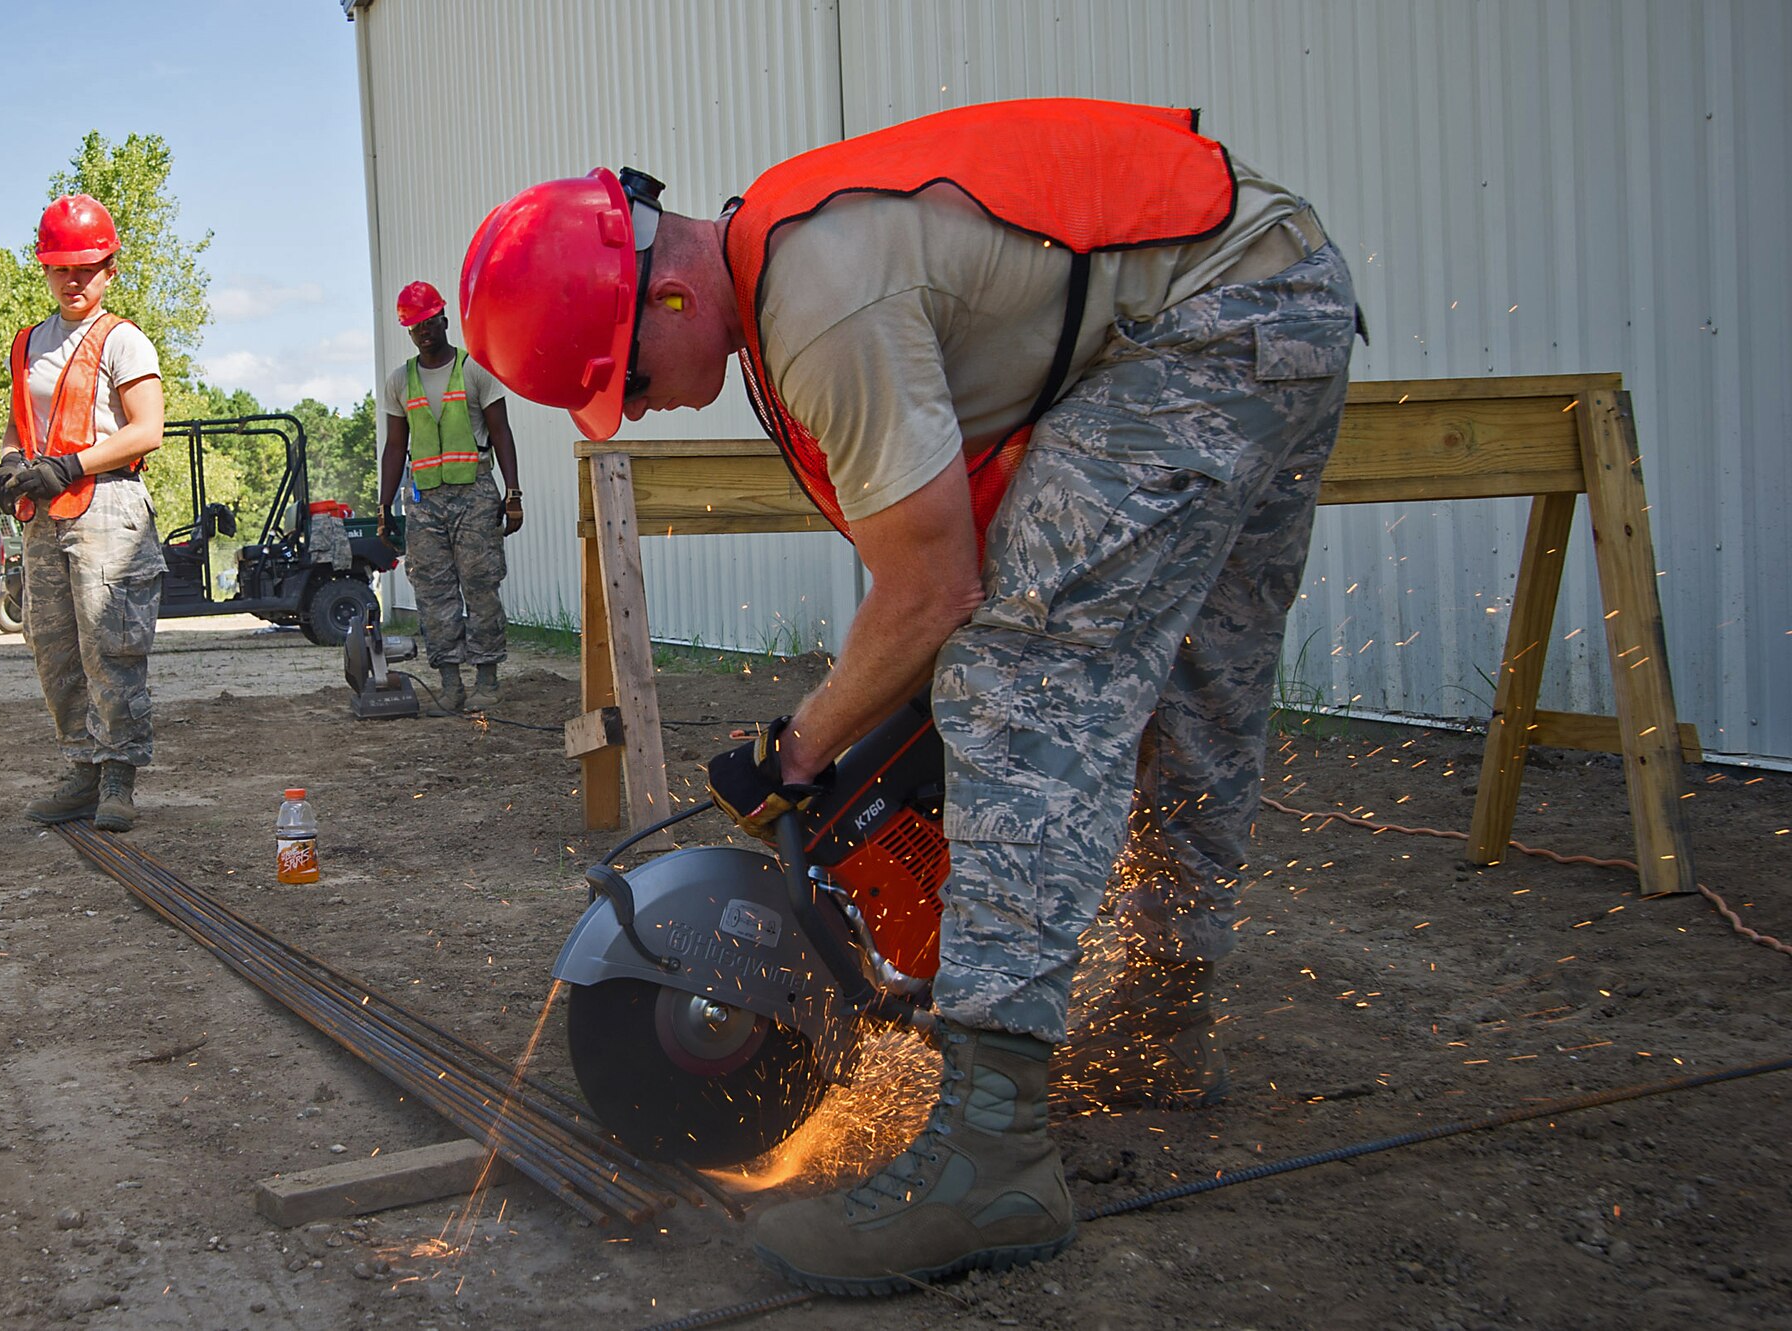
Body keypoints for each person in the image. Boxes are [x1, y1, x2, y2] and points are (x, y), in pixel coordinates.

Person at [459, 98, 1358, 1294]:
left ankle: (988, 1152)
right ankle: (1161, 1022)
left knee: (1021, 679)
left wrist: (795, 750)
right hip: (1278, 287)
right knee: (1190, 687)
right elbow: (946, 558)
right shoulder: (796, 251)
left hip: (1204, 317)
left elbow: (936, 590)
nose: (647, 407)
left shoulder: (820, 302)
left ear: (662, 298)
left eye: (629, 382)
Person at [0, 194, 167, 834]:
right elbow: (21, 422)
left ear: (109, 269)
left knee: (110, 643)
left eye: (86, 268)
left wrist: (72, 464)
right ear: (45, 269)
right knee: (54, 646)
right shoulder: (28, 344)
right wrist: (11, 463)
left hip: (108, 507)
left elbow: (147, 430)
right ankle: (81, 767)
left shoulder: (124, 341)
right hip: (44, 515)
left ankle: (119, 774)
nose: (73, 280)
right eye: (61, 267)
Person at [377, 280, 523, 712]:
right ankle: (450, 684)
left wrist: (513, 494)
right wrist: (384, 507)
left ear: (443, 319)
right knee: (433, 591)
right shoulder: (399, 381)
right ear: (408, 331)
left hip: (475, 493)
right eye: (414, 326)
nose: (423, 331)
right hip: (423, 503)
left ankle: (487, 680)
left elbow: (501, 433)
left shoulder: (475, 369)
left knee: (480, 586)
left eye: (428, 322)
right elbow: (394, 447)